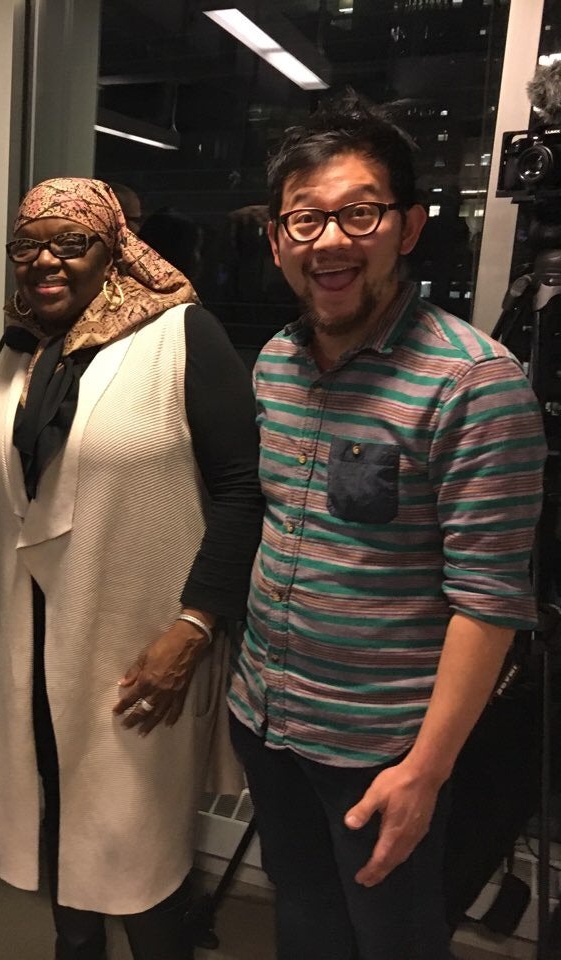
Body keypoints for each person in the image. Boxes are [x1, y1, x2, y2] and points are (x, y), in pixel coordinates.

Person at [228, 94, 546, 960]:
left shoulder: (478, 385)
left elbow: (488, 603)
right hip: (267, 720)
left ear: (406, 228)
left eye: (358, 213)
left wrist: (427, 770)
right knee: (304, 919)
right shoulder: (276, 365)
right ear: (277, 240)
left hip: (382, 749)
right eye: (305, 220)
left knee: (394, 939)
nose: (329, 241)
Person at [0, 177, 263, 960]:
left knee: (140, 869)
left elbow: (244, 490)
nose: (46, 261)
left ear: (115, 248)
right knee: (61, 850)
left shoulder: (182, 336)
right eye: (28, 244)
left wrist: (194, 628)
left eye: (71, 243)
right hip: (32, 653)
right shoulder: (18, 347)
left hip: (140, 656)